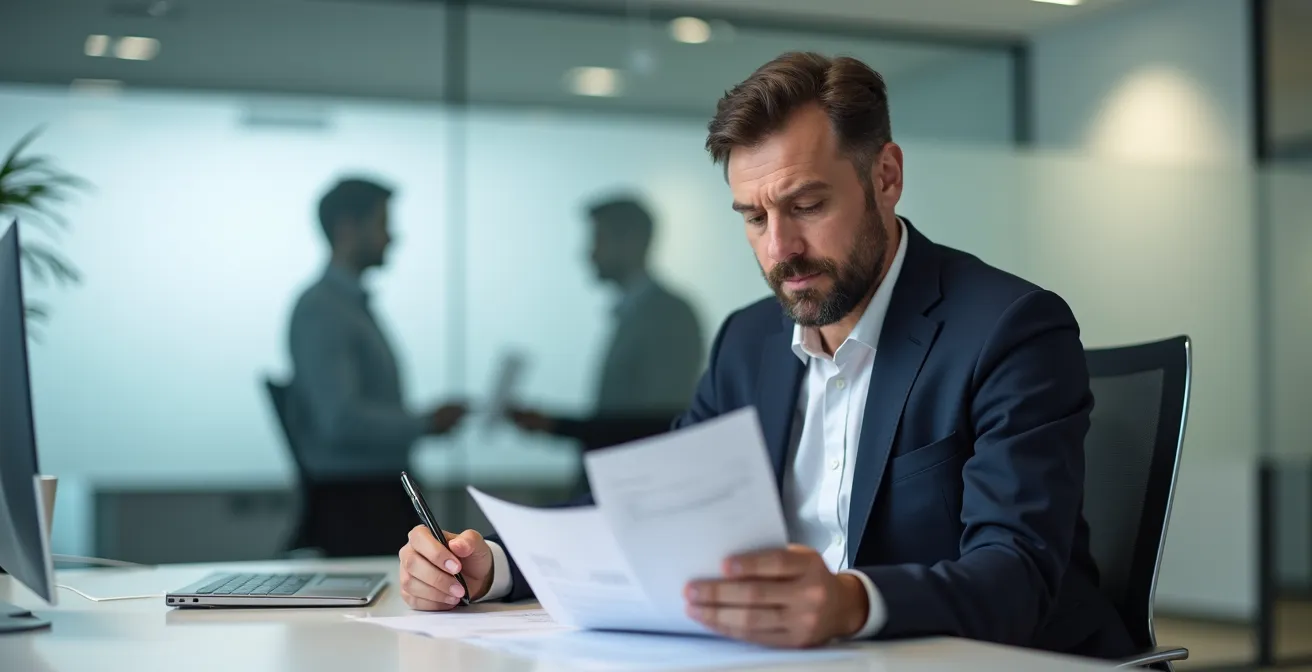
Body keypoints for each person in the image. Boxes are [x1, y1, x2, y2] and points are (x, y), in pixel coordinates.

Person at [395, 52, 1135, 659]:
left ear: (886, 176)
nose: (780, 249)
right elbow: (652, 518)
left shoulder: (1009, 328)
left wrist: (850, 602)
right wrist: (489, 566)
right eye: (753, 217)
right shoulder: (748, 341)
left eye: (806, 205)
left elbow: (1017, 575)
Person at [286, 177, 465, 555]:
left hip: (374, 498)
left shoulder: (349, 307)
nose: (392, 238)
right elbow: (339, 420)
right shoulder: (323, 310)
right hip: (359, 508)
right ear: (348, 228)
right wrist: (425, 423)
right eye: (383, 225)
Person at [508, 196, 704, 453]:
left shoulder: (669, 315)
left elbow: (657, 423)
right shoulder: (635, 313)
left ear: (632, 243)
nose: (588, 252)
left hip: (640, 482)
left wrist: (557, 426)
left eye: (598, 239)